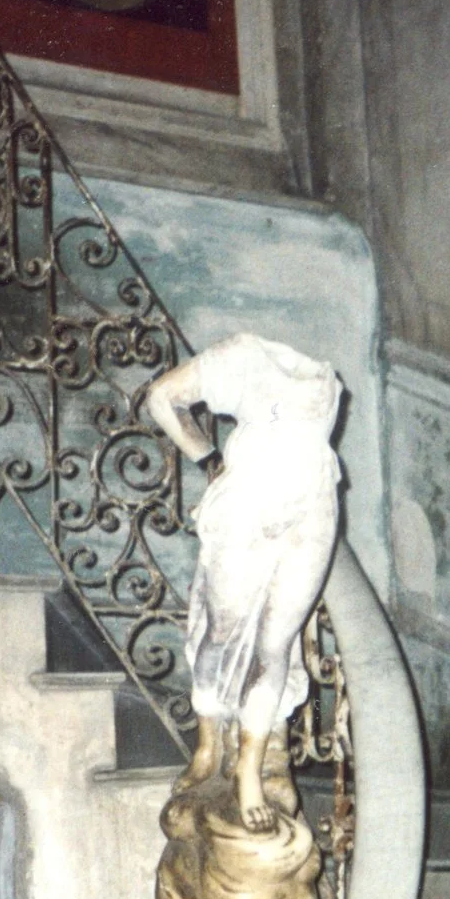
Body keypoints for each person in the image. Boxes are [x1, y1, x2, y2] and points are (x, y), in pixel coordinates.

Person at [140, 331, 344, 831]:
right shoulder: (242, 355)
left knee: (276, 646)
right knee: (222, 633)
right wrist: (207, 458)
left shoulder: (321, 372)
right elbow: (160, 397)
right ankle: (209, 740)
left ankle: (250, 767)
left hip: (314, 507)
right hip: (247, 508)